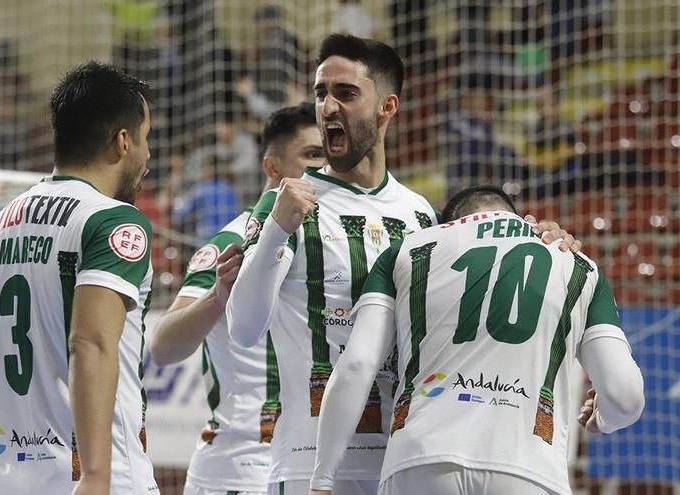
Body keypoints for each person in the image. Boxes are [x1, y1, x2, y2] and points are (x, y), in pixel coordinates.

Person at [225, 34, 579, 495]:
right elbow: (243, 329)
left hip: (406, 461)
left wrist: (546, 241)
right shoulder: (288, 203)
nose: (328, 107)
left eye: (345, 93)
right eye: (320, 93)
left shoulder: (421, 215)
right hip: (308, 465)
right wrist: (275, 228)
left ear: (386, 107)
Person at [309, 186, 645, 495]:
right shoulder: (578, 265)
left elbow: (357, 364)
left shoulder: (408, 249)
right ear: (518, 215)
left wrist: (322, 479)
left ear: (452, 221)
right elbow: (626, 397)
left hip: (420, 460)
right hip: (528, 468)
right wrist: (602, 418)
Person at [0, 61, 159, 495]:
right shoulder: (113, 222)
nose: (148, 155)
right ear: (122, 141)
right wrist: (95, 477)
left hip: (12, 484)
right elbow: (90, 344)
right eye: (146, 138)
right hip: (101, 480)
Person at [151, 103, 324, 495]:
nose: (323, 169)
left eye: (329, 156)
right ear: (273, 168)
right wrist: (217, 296)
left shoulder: (326, 244)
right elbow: (162, 347)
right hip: (242, 469)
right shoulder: (233, 240)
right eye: (311, 155)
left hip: (303, 464)